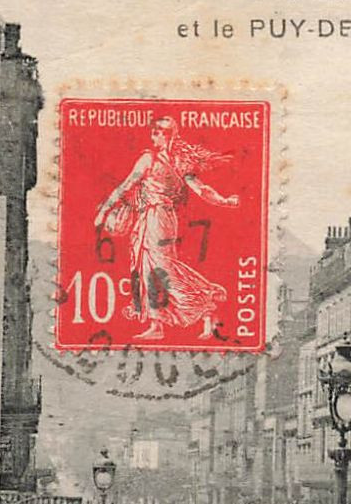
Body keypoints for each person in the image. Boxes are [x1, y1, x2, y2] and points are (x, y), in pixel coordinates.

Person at [92, 116, 240, 342]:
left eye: (161, 132)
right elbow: (127, 186)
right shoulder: (160, 160)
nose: (157, 136)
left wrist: (225, 201)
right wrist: (225, 201)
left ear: (168, 135)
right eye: (156, 132)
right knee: (150, 268)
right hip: (155, 218)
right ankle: (163, 322)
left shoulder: (162, 161)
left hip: (157, 217)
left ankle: (205, 301)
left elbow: (201, 189)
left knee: (160, 268)